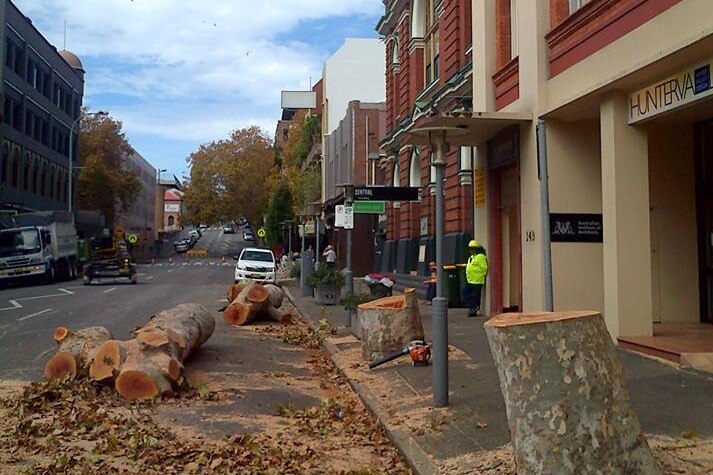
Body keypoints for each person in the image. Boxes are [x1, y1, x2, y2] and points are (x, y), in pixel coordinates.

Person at [465, 240, 488, 317]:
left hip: (477, 280)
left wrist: (481, 275)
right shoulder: (471, 257)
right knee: (466, 293)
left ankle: (474, 309)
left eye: (473, 249)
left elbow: (484, 268)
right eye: (470, 249)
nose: (471, 251)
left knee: (475, 296)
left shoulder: (480, 257)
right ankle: (473, 307)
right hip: (470, 279)